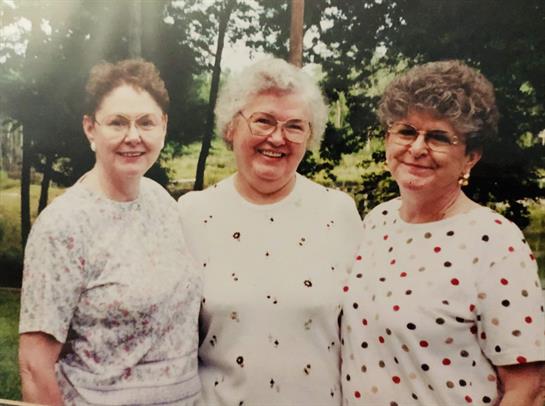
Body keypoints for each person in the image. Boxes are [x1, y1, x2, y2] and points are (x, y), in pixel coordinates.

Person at [341, 60, 545, 405]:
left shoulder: (495, 242)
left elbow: (528, 389)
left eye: (438, 137)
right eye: (406, 131)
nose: (417, 148)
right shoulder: (377, 221)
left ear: (471, 157)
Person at [178, 58, 362, 406]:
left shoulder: (338, 212)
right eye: (263, 121)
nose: (277, 138)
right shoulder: (191, 214)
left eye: (295, 126)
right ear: (232, 128)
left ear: (310, 137)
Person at [18, 59, 202, 405]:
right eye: (117, 123)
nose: (133, 136)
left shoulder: (162, 201)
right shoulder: (63, 225)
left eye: (146, 122)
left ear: (163, 126)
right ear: (90, 128)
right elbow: (34, 367)